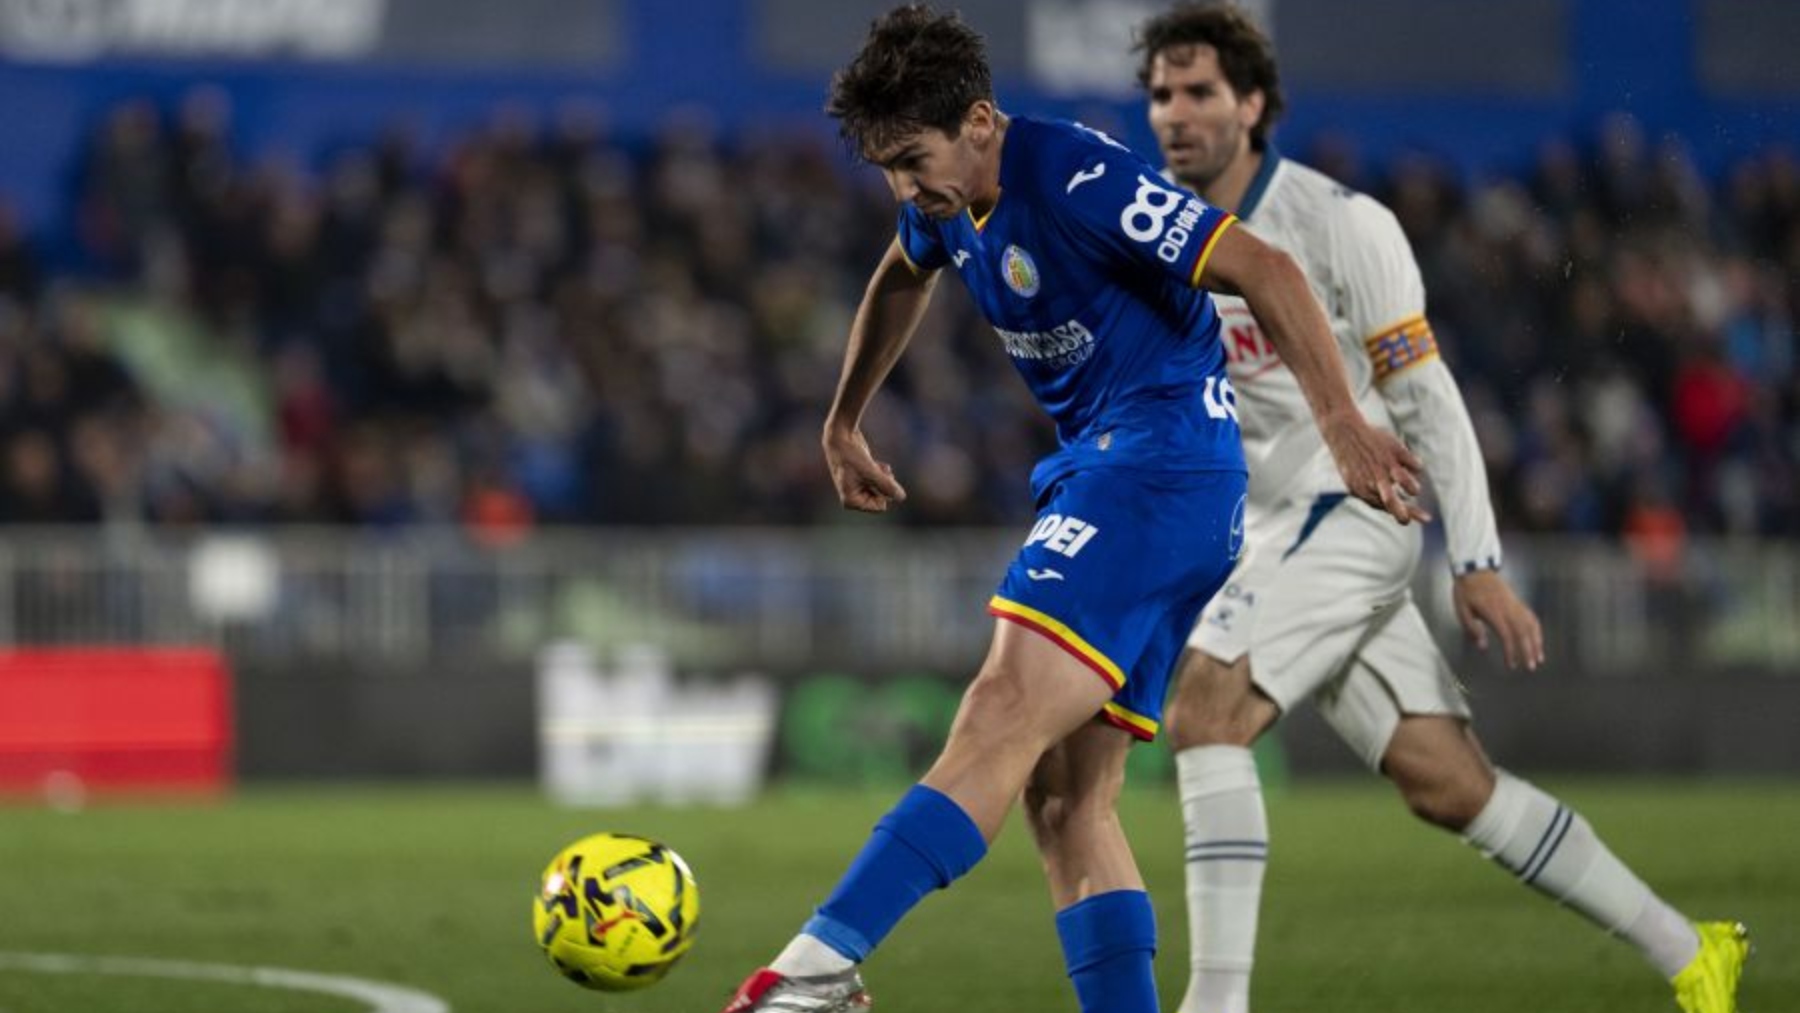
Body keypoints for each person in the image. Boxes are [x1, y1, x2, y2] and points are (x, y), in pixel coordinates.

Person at [719, 5, 1428, 1012]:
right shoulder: (943, 197)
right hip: (1138, 476)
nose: (903, 188)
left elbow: (1263, 267)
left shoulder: (1078, 181)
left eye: (912, 159)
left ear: (977, 121)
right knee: (1067, 798)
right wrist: (843, 420)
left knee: (998, 708)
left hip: (1158, 468)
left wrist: (1344, 423)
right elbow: (899, 274)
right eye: (885, 168)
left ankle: (816, 966)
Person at [1132, 6, 1750, 1013]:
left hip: (1354, 509)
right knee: (1447, 780)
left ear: (1252, 104)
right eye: (1161, 93)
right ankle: (1691, 948)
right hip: (1264, 537)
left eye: (1199, 91)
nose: (1175, 113)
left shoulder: (1341, 223)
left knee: (1207, 707)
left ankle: (1215, 1001)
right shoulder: (1155, 233)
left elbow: (1427, 396)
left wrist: (1478, 557)